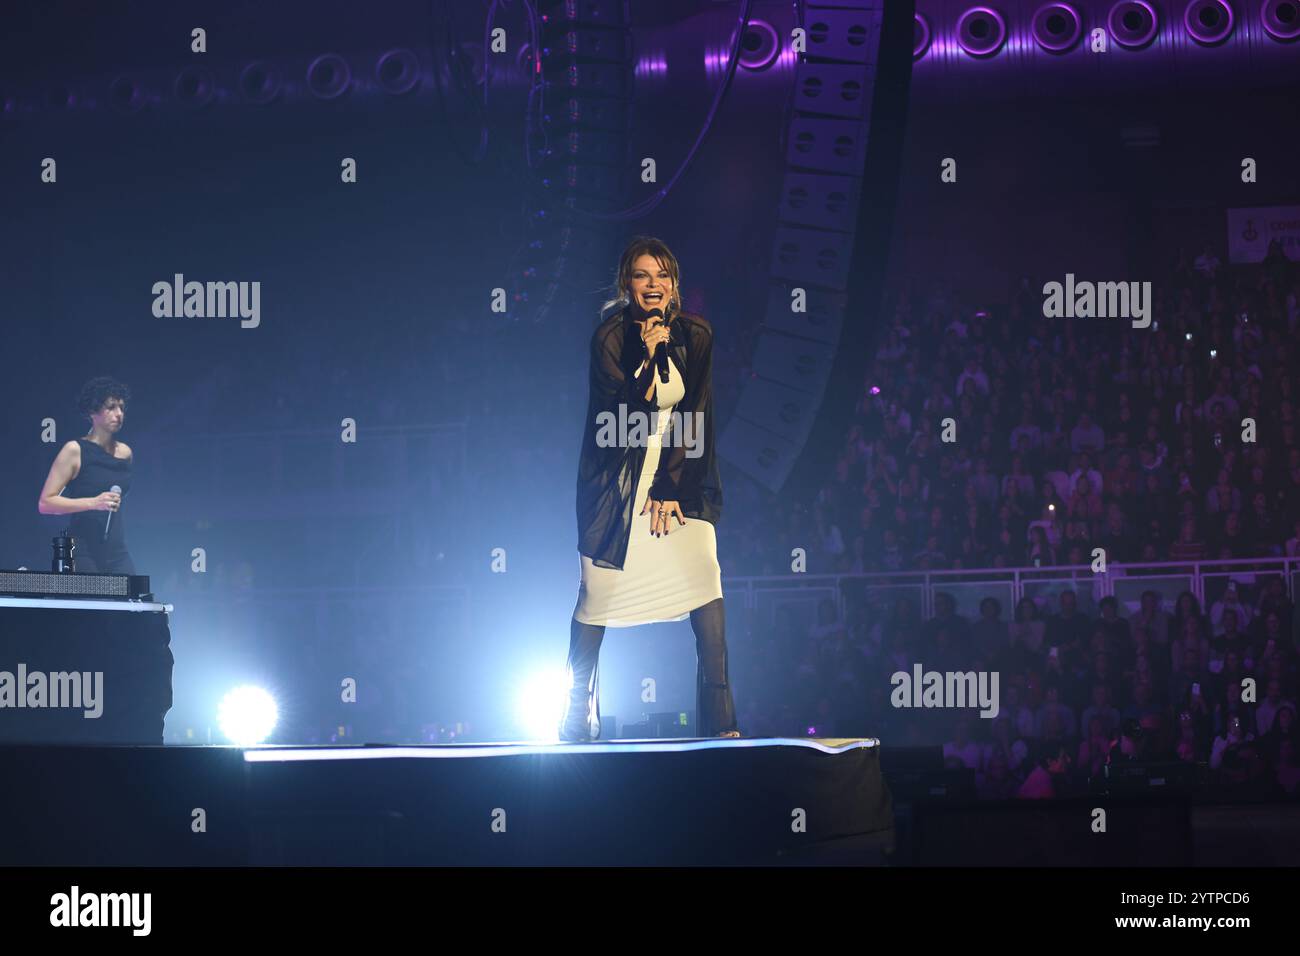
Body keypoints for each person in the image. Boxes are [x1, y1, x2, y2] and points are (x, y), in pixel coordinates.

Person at [560, 236, 738, 740]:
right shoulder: (610, 339)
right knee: (598, 594)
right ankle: (577, 709)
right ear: (627, 285)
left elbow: (696, 415)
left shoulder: (697, 334)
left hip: (681, 473)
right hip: (616, 478)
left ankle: (721, 720)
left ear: (674, 284)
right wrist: (651, 354)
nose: (653, 285)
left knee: (704, 575)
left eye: (661, 275)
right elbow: (619, 417)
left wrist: (670, 486)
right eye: (642, 276)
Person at [37, 376, 137, 573]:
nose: (119, 414)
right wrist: (93, 503)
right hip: (83, 549)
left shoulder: (126, 453)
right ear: (93, 411)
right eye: (111, 407)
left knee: (133, 600)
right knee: (93, 601)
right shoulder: (74, 450)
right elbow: (45, 503)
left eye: (122, 408)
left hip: (117, 550)